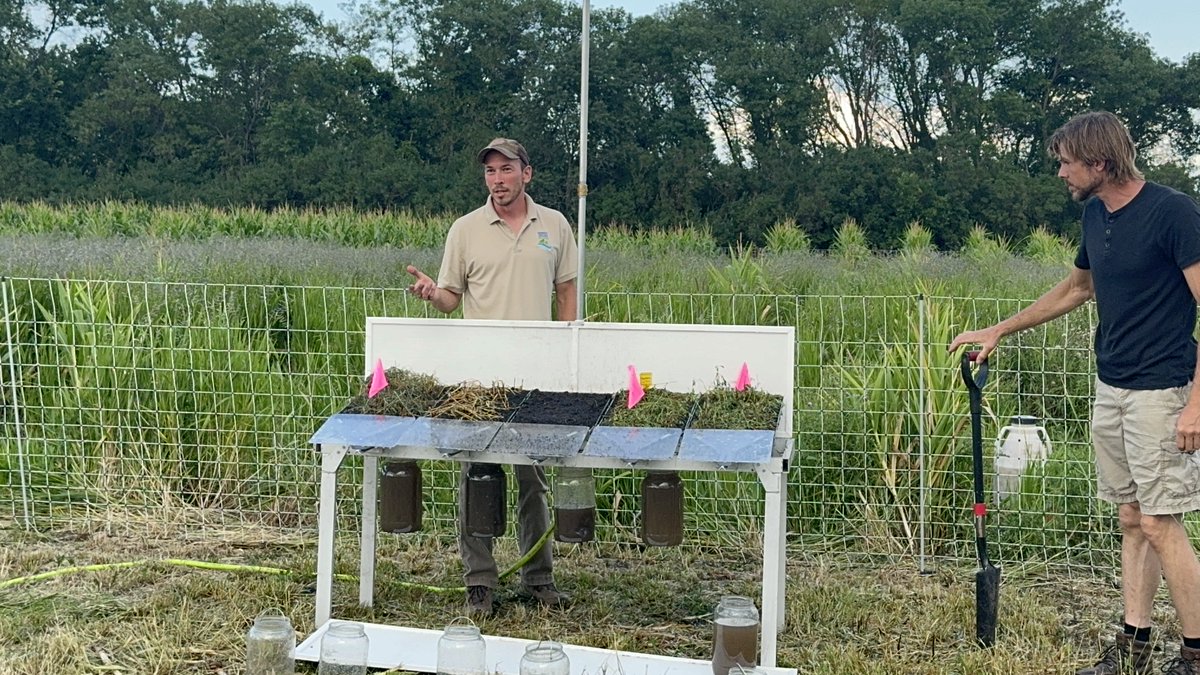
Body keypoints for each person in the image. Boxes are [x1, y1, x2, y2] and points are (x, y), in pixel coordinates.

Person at [949, 111, 1200, 674]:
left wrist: (1197, 405)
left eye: (1066, 162)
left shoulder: (1173, 213)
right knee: (1132, 517)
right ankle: (1132, 647)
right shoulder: (1095, 215)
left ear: (1100, 162)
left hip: (1164, 390)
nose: (1061, 172)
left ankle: (1195, 655)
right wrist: (1000, 329)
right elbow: (1077, 288)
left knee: (1162, 523)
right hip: (1112, 386)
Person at [406, 137, 578, 617]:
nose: (498, 180)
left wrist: (564, 350)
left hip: (537, 375)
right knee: (477, 475)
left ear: (528, 173)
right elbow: (450, 298)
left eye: (507, 170)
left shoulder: (556, 226)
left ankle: (538, 579)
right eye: (490, 172)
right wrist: (430, 293)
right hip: (478, 378)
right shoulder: (465, 230)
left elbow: (567, 290)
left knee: (533, 479)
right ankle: (480, 583)